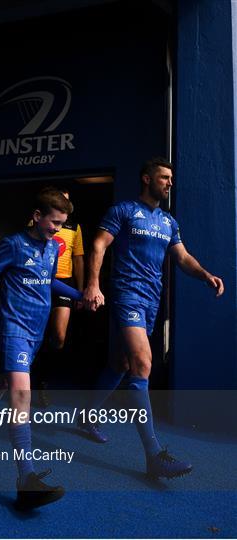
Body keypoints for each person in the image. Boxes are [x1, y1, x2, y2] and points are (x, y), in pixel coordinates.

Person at [82, 156, 224, 478]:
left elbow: (182, 257)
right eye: (163, 177)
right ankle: (154, 454)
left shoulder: (168, 222)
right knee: (142, 363)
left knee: (121, 363)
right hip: (126, 294)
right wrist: (92, 284)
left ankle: (88, 416)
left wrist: (205, 275)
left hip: (151, 301)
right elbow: (99, 244)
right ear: (147, 179)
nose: (169, 183)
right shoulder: (123, 211)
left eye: (170, 178)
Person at [0, 189, 82, 510]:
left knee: (0, 381)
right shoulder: (12, 245)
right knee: (21, 395)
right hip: (13, 328)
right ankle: (27, 479)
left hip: (36, 333)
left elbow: (48, 281)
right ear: (37, 216)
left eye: (63, 224)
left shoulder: (52, 249)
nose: (57, 229)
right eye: (54, 222)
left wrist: (81, 295)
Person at [32, 186, 84, 406]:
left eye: (68, 200)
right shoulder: (39, 223)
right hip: (40, 281)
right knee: (36, 334)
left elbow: (79, 258)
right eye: (61, 198)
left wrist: (80, 292)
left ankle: (43, 379)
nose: (65, 202)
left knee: (59, 337)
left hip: (64, 281)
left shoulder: (74, 227)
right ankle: (28, 378)